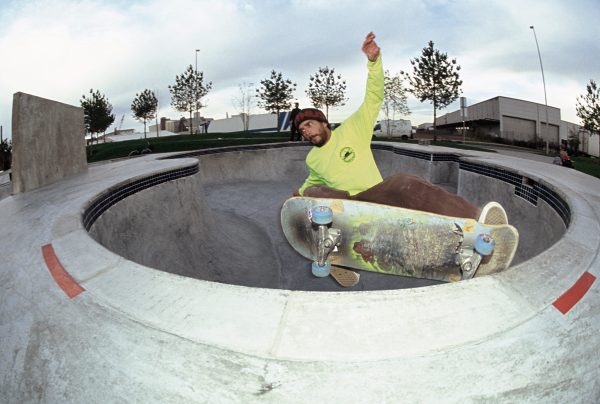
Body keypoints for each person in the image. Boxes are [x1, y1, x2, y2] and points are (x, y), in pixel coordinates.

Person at [293, 32, 507, 225]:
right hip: (347, 207)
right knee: (313, 191)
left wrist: (374, 62)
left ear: (323, 123)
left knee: (405, 182)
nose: (307, 132)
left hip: (373, 197)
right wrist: (298, 195)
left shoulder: (353, 129)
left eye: (309, 125)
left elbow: (373, 98)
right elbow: (312, 180)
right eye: (302, 130)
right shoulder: (313, 158)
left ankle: (478, 220)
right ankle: (337, 246)